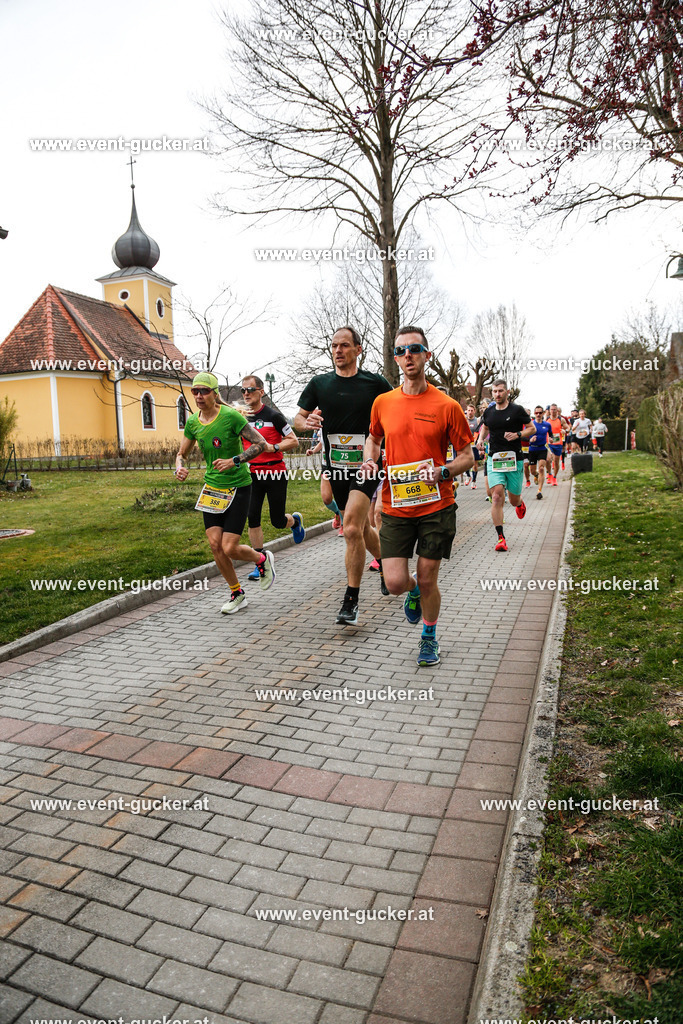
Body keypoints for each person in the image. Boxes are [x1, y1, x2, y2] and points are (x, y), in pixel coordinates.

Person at [359, 326, 474, 667]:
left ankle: (429, 636)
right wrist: (369, 458)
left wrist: (443, 471)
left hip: (436, 505)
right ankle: (411, 592)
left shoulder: (447, 406)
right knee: (394, 582)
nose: (407, 355)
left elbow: (467, 456)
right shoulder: (383, 403)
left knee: (427, 578)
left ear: (427, 354)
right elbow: (374, 439)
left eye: (414, 349)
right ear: (395, 359)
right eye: (400, 351)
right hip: (396, 505)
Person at [294, 326, 393, 625]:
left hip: (367, 465)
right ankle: (388, 567)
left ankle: (351, 600)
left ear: (358, 350)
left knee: (350, 528)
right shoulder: (319, 383)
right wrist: (307, 420)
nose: (338, 350)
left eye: (344, 345)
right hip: (336, 466)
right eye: (334, 345)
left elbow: (397, 412)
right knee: (361, 528)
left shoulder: (375, 383)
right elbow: (298, 419)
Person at [175, 372, 275, 614]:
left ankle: (262, 560)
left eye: (204, 391)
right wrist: (179, 466)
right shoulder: (193, 422)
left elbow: (261, 444)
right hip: (212, 489)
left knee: (230, 547)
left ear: (214, 393)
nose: (198, 396)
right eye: (194, 391)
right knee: (214, 545)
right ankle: (237, 593)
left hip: (239, 486)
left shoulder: (230, 416)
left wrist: (235, 460)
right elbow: (182, 454)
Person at [240, 374, 305, 581]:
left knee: (277, 521)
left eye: (250, 389)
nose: (246, 394)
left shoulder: (274, 416)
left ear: (261, 391)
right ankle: (260, 563)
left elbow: (293, 441)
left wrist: (273, 447)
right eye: (243, 390)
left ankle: (294, 522)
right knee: (253, 517)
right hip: (252, 474)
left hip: (275, 472)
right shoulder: (240, 418)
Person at [476, 379, 535, 551]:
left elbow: (532, 429)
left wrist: (518, 434)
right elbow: (485, 428)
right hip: (495, 458)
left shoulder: (517, 410)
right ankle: (501, 538)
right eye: (494, 391)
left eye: (501, 391)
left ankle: (519, 503)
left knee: (513, 498)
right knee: (496, 495)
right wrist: (480, 440)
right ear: (491, 393)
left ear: (507, 392)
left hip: (514, 458)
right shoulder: (489, 411)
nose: (497, 394)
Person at [527, 405, 552, 499]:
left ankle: (539, 491)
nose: (538, 414)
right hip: (532, 449)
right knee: (532, 470)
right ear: (534, 414)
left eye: (540, 413)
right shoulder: (530, 424)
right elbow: (525, 436)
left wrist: (551, 439)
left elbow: (551, 434)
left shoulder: (547, 425)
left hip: (542, 448)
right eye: (536, 413)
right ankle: (536, 475)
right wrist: (530, 440)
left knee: (541, 468)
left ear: (543, 413)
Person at [546, 403, 571, 484]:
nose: (553, 411)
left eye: (554, 409)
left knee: (556, 461)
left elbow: (568, 428)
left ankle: (554, 477)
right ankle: (549, 473)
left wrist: (565, 431)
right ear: (549, 411)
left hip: (558, 443)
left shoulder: (561, 419)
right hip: (549, 443)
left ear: (557, 410)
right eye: (551, 409)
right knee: (548, 459)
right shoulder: (546, 420)